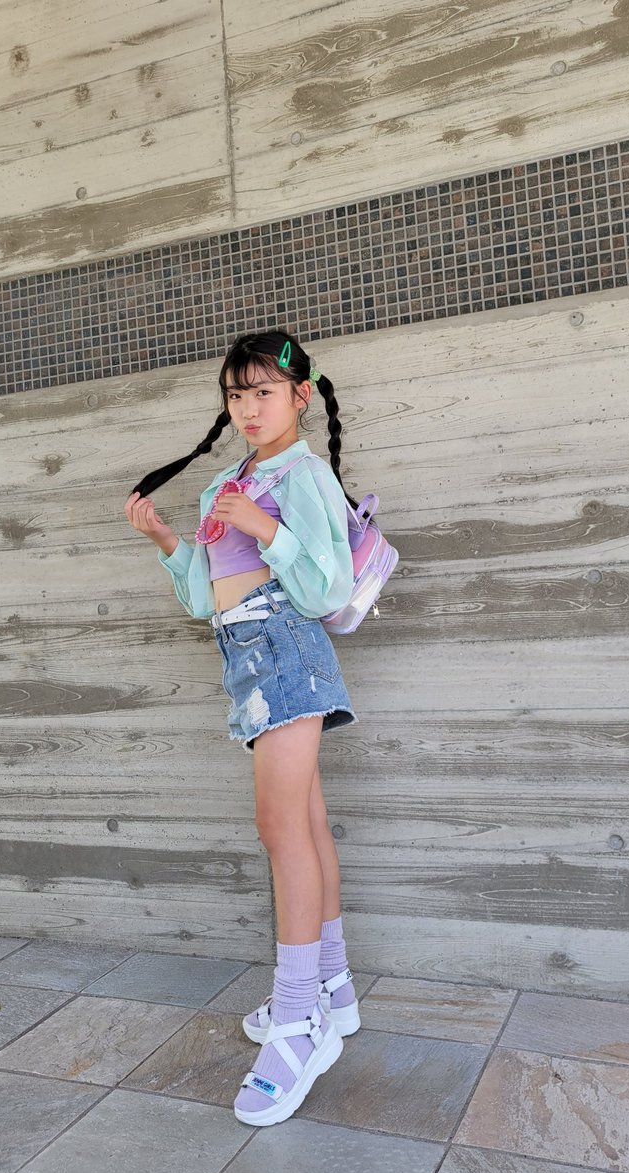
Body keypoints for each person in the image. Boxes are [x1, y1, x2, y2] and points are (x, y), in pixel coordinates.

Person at [123, 329, 362, 1127]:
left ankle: (298, 1022)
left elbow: (328, 587)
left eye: (264, 392)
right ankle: (334, 989)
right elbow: (206, 597)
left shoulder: (305, 476)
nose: (249, 408)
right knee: (307, 823)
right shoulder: (225, 484)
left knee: (280, 830)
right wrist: (167, 540)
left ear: (300, 395)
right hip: (245, 656)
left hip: (287, 647)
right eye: (236, 395)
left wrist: (265, 528)